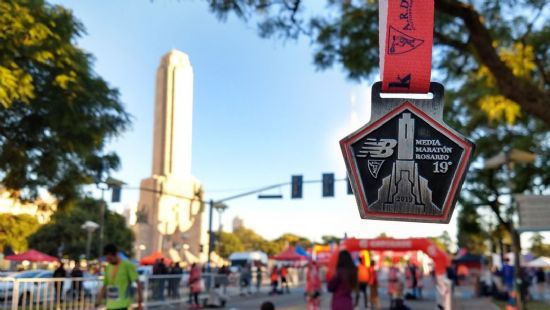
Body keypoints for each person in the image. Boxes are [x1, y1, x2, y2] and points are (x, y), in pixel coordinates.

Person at [96, 244, 143, 310]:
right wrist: (98, 300)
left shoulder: (127, 265)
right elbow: (105, 285)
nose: (108, 260)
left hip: (123, 305)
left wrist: (140, 301)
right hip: (110, 306)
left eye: (109, 258)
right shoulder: (108, 267)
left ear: (115, 255)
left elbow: (138, 283)